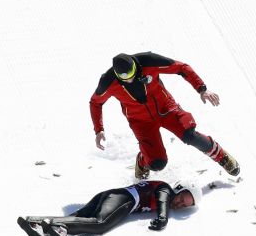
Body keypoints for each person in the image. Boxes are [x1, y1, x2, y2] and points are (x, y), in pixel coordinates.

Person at [89, 52, 240, 179]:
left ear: (135, 66)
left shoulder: (148, 61)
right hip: (140, 121)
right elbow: (95, 103)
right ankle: (143, 159)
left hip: (166, 108)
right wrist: (99, 129)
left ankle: (222, 156)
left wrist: (202, 89)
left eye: (132, 74)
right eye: (125, 78)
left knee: (189, 135)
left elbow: (182, 67)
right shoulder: (107, 81)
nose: (130, 79)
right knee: (157, 164)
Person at [16, 180, 201, 236]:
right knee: (100, 224)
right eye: (184, 198)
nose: (181, 204)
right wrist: (162, 218)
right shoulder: (165, 189)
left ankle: (35, 222)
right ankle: (60, 227)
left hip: (110, 195)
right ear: (179, 189)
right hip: (122, 198)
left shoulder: (168, 194)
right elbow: (162, 199)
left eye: (186, 206)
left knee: (78, 217)